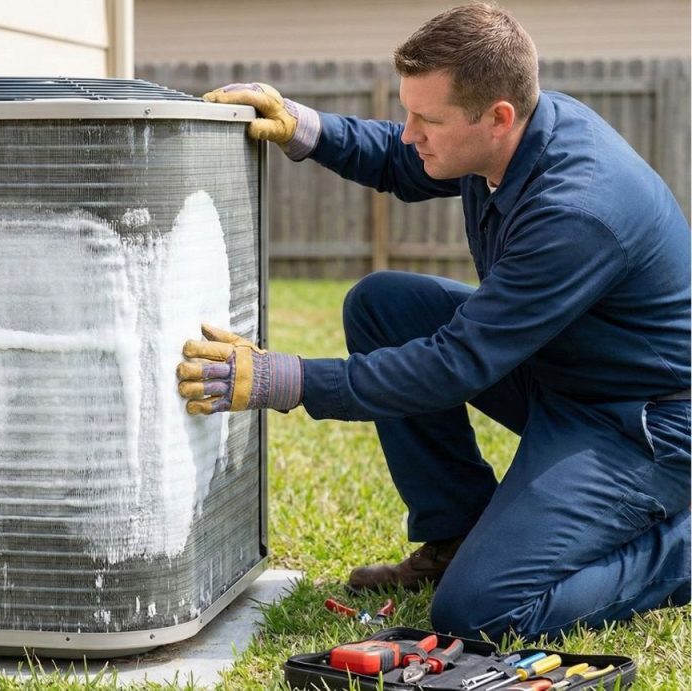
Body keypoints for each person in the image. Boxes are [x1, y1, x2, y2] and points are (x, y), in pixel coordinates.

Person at [175, 3, 691, 641]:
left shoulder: (578, 210)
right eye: (407, 111)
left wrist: (287, 379)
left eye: (427, 118)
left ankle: (682, 550)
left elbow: (456, 364)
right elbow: (401, 160)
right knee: (383, 304)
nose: (410, 131)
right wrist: (302, 125)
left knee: (478, 612)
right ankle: (455, 534)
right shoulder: (519, 134)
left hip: (642, 422)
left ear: (497, 117)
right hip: (564, 373)